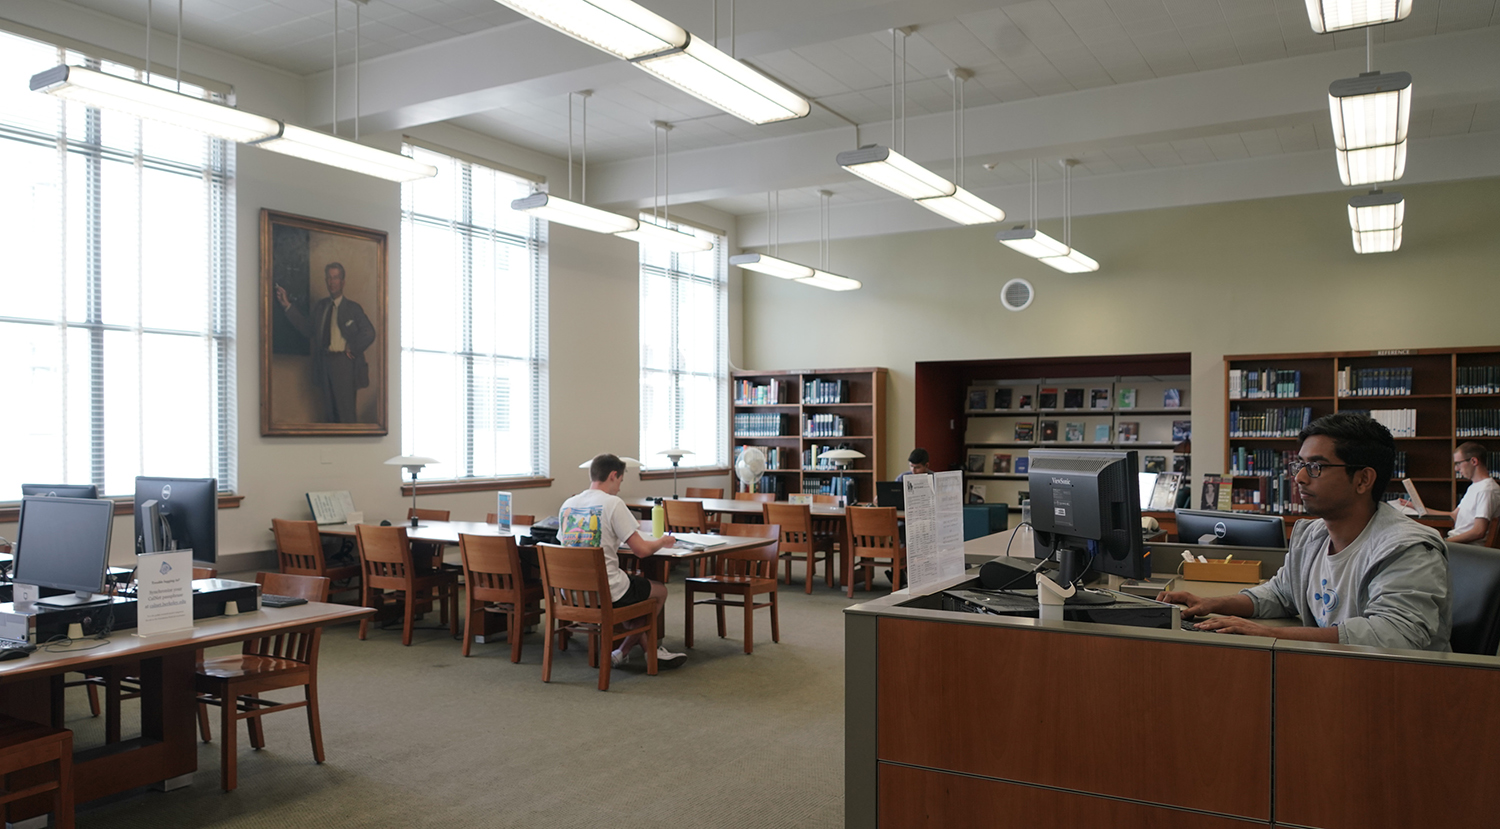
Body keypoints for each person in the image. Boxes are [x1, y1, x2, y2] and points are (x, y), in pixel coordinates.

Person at [1159, 412, 1451, 652]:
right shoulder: (1313, 535)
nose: (1298, 478)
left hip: (1403, 689)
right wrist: (1211, 604)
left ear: (1363, 479)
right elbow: (1280, 594)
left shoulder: (1408, 548)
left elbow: (1393, 634)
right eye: (1300, 464)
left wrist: (1267, 634)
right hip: (1333, 672)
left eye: (1315, 467)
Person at [557, 454, 687, 668]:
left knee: (635, 595)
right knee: (659, 591)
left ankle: (642, 651)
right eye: (620, 481)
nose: (619, 487)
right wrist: (663, 540)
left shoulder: (568, 505)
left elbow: (568, 545)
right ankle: (625, 650)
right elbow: (642, 551)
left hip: (572, 593)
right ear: (613, 476)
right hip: (607, 592)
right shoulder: (612, 503)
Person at [275, 262, 377, 423]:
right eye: (329, 278)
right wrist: (287, 305)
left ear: (342, 282)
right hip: (324, 363)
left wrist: (353, 348)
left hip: (345, 364)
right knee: (330, 416)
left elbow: (369, 333)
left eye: (335, 278)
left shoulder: (353, 308)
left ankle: (350, 447)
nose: (332, 282)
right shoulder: (321, 307)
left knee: (346, 415)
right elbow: (308, 329)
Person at [1401, 442, 1498, 545]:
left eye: (1458, 463)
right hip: (1457, 544)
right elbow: (1454, 515)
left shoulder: (1487, 490)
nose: (1456, 469)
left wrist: (1444, 542)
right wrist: (1418, 507)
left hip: (1467, 549)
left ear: (1474, 461)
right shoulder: (1475, 487)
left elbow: (1478, 531)